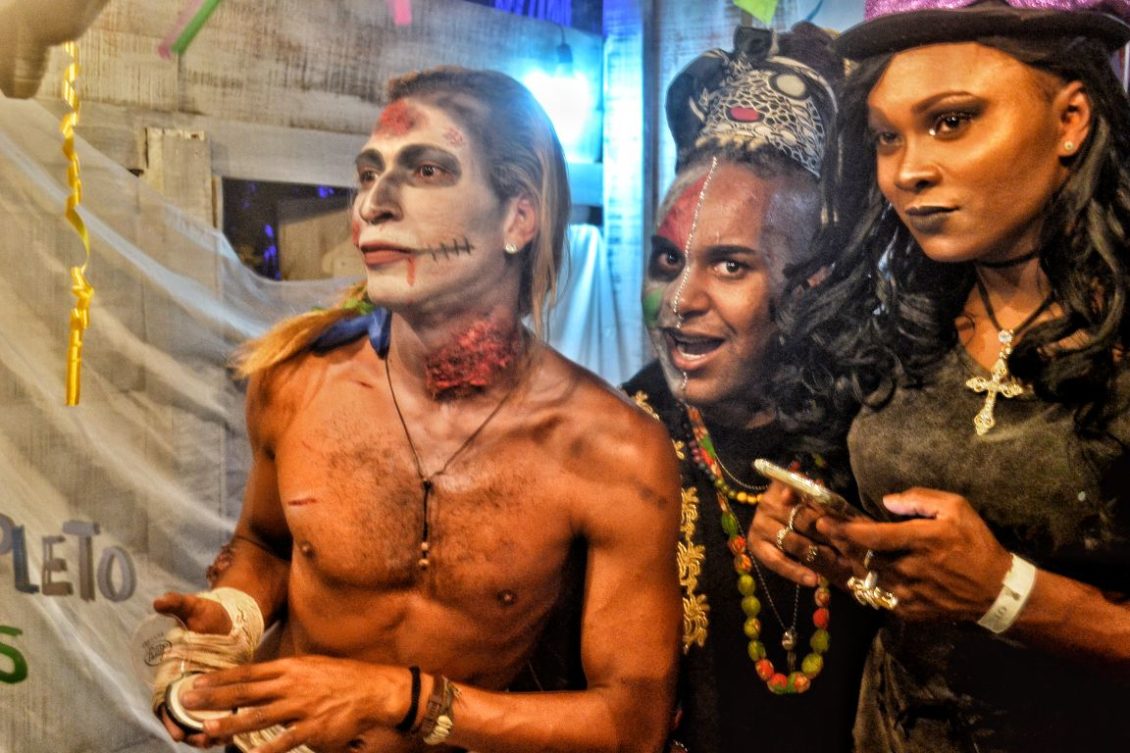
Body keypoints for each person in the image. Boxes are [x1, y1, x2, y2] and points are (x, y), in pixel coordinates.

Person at [146, 67, 682, 753]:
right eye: (368, 174)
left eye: (426, 171)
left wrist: (400, 697)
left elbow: (633, 724)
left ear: (517, 217)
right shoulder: (295, 383)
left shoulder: (613, 450)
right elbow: (266, 544)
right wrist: (232, 618)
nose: (374, 203)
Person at [749, 2, 1130, 751]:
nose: (908, 170)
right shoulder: (899, 326)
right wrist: (829, 532)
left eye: (951, 121)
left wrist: (1009, 595)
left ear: (1071, 119)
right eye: (887, 136)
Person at [621, 25, 878, 753]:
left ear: (814, 280)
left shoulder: (878, 432)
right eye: (667, 260)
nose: (680, 301)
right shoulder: (617, 440)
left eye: (731, 265)